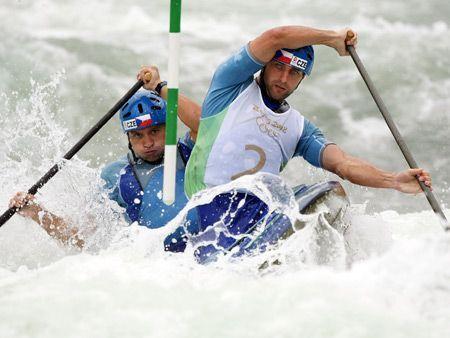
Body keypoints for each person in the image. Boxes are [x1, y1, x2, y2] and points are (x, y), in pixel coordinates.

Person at [169, 25, 432, 261]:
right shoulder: (230, 86)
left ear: (303, 78)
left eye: (295, 72)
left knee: (329, 193)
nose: (284, 78)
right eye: (279, 67)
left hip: (259, 220)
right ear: (265, 65)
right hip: (206, 212)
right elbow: (276, 36)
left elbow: (343, 164)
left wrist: (393, 181)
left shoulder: (299, 128)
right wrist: (332, 39)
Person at [9, 66, 202, 249]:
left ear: (169, 128)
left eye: (155, 131)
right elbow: (84, 238)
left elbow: (203, 124)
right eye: (138, 135)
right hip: (161, 264)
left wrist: (160, 87)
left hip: (207, 249)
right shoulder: (116, 176)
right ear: (128, 137)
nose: (148, 142)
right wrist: (37, 212)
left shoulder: (189, 151)